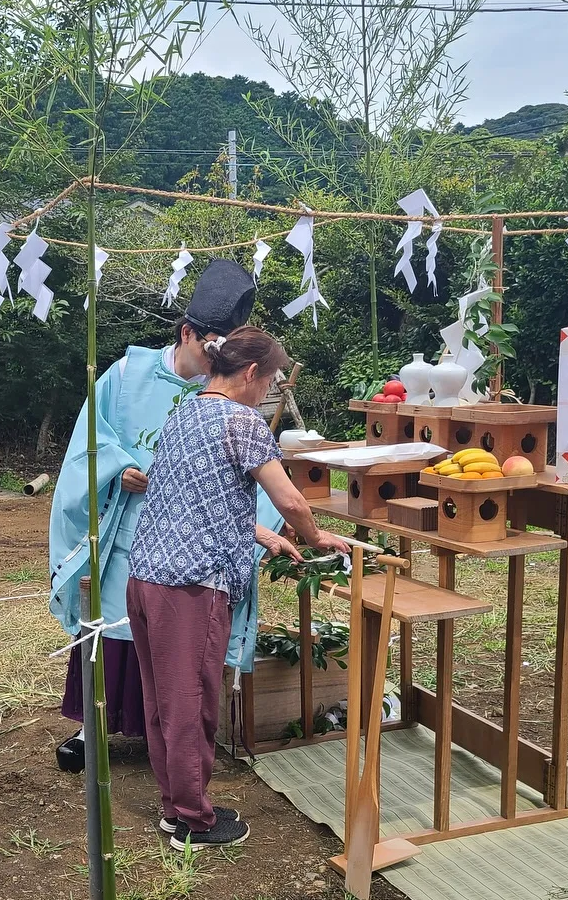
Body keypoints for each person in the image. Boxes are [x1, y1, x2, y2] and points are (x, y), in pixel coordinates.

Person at [48, 260, 295, 772]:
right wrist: (120, 469)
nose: (216, 366)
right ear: (187, 333)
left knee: (180, 642)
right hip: (128, 525)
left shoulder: (224, 397)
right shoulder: (127, 375)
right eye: (210, 350)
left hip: (194, 540)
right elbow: (90, 440)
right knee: (114, 626)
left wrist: (262, 529)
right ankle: (93, 727)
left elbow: (250, 474)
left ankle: (164, 737)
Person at [127, 327, 350, 850]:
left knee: (163, 698)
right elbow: (292, 499)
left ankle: (174, 805)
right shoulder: (241, 420)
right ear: (252, 374)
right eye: (269, 381)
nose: (267, 391)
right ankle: (191, 819)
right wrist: (314, 535)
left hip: (147, 578)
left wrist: (262, 533)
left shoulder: (185, 411)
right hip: (190, 584)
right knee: (190, 701)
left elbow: (191, 492)